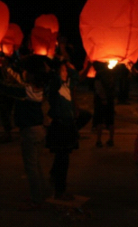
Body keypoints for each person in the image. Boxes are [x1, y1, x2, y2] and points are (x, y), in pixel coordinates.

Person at [0, 55, 51, 210]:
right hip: (40, 131)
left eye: (27, 71)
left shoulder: (25, 91)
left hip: (30, 132)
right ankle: (43, 194)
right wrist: (6, 68)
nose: (24, 73)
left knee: (31, 167)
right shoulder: (39, 89)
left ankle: (37, 200)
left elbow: (4, 87)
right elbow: (17, 81)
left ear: (31, 74)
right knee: (37, 165)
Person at [45, 60, 80, 200]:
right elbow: (55, 80)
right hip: (60, 126)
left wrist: (70, 67)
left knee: (62, 157)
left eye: (66, 71)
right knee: (62, 159)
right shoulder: (55, 87)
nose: (66, 73)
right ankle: (60, 191)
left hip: (68, 124)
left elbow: (76, 77)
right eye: (63, 71)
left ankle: (55, 177)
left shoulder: (68, 85)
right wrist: (59, 69)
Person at [92, 61, 116, 148]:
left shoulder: (99, 74)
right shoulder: (111, 73)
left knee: (99, 120)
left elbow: (98, 87)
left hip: (101, 101)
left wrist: (103, 98)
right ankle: (111, 140)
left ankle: (99, 140)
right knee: (110, 120)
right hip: (110, 100)